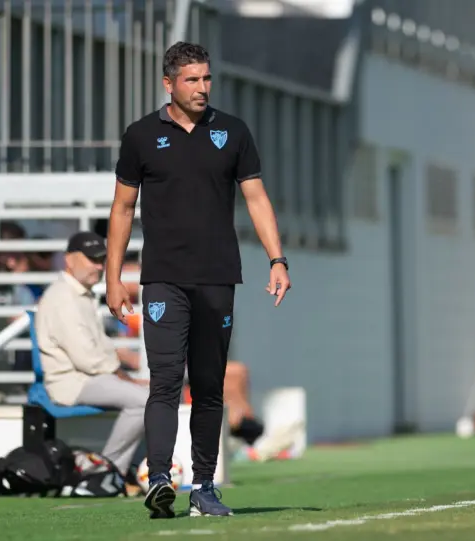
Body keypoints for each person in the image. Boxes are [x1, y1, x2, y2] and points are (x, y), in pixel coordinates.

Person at [105, 41, 291, 518]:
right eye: (192, 79)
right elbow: (122, 208)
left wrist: (277, 260)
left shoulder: (233, 131)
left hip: (217, 278)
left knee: (209, 386)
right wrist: (113, 276)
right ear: (168, 84)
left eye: (207, 78)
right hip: (163, 279)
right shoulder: (141, 136)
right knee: (165, 381)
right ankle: (159, 479)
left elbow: (256, 198)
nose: (202, 87)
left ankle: (205, 488)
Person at [33, 231, 146, 476]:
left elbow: (99, 353)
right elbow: (87, 359)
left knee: (146, 397)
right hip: (74, 383)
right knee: (144, 401)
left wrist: (125, 378)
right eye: (92, 259)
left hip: (87, 378)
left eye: (101, 260)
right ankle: (107, 470)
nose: (99, 266)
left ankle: (120, 470)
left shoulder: (79, 294)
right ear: (69, 259)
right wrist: (124, 378)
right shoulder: (63, 297)